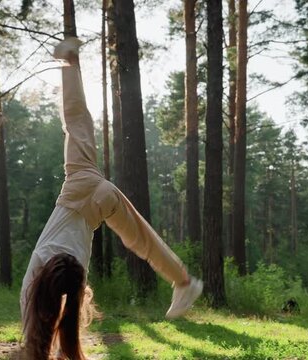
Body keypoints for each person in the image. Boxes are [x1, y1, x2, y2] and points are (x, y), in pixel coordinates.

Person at [20, 37, 203, 359]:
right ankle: (70, 63)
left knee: (140, 239)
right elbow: (33, 323)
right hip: (81, 179)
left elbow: (46, 332)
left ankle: (185, 281)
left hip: (93, 197)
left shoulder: (75, 275)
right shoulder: (37, 274)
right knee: (76, 122)